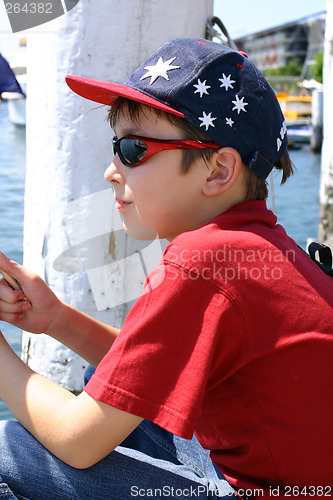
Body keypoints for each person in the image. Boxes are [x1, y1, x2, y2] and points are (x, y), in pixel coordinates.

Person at [0, 38, 332, 500]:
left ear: (218, 171)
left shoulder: (203, 261)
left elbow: (76, 441)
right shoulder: (261, 248)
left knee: (6, 450)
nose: (111, 170)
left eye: (133, 149)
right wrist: (53, 317)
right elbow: (151, 370)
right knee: (109, 384)